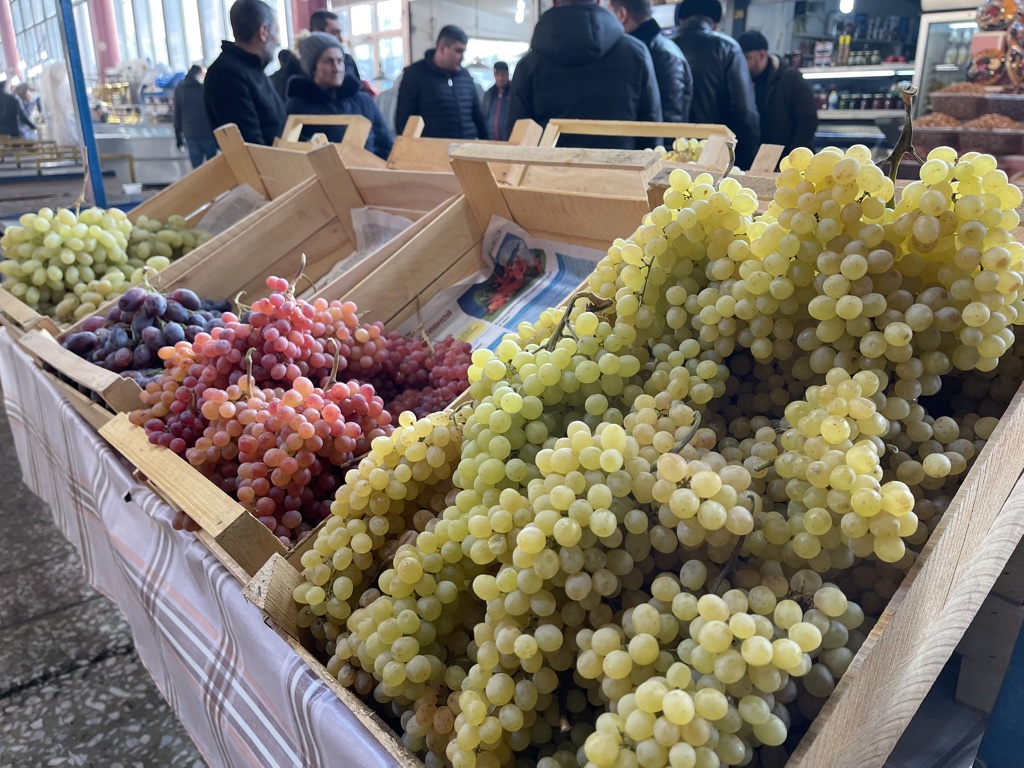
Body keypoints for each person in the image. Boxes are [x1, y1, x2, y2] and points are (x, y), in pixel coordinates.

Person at [509, 0, 662, 150]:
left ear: (554, 2)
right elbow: (651, 134)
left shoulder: (528, 66)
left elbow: (518, 141)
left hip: (549, 173)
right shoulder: (636, 54)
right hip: (623, 172)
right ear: (598, 1)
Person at [672, 0, 760, 168]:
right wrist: (747, 162)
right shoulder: (728, 48)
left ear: (681, 20)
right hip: (717, 155)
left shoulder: (664, 48)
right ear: (715, 25)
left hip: (673, 152)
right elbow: (745, 111)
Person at [286, 32, 394, 159]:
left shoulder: (364, 101)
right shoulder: (298, 107)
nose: (336, 68)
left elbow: (386, 145)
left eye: (340, 61)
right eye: (328, 61)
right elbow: (295, 154)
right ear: (313, 67)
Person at [204, 0, 285, 146]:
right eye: (276, 32)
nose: (278, 41)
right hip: (262, 167)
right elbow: (250, 147)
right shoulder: (227, 74)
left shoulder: (251, 68)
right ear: (263, 32)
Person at [395, 26, 487, 139]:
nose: (462, 57)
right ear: (443, 48)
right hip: (432, 151)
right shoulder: (416, 75)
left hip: (466, 148)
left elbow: (478, 117)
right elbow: (404, 122)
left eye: (463, 51)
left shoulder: (465, 76)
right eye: (458, 51)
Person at [738, 30, 818, 160]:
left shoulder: (791, 78)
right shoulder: (745, 82)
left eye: (747, 58)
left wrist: (791, 158)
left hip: (790, 161)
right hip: (761, 161)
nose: (742, 65)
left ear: (762, 55)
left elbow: (808, 121)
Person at [610, 0, 692, 126]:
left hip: (651, 143)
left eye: (609, 14)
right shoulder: (668, 51)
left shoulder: (662, 56)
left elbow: (669, 121)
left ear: (622, 15)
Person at [174, 66, 218, 168]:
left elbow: (177, 114)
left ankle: (201, 184)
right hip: (208, 133)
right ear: (199, 74)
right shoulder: (206, 88)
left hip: (190, 134)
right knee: (214, 167)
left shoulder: (180, 89)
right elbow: (214, 111)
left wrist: (178, 136)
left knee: (196, 168)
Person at [309, 9, 365, 85]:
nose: (341, 39)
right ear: (317, 33)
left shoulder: (348, 61)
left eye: (339, 61)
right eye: (335, 33)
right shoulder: (296, 64)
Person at [482, 62, 512, 141]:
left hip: (509, 141)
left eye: (503, 74)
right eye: (498, 75)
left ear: (508, 75)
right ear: (494, 75)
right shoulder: (489, 94)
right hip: (490, 141)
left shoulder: (513, 93)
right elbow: (485, 116)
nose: (500, 78)